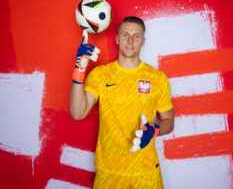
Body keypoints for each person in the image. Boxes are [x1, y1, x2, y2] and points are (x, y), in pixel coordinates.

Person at [70, 16, 174, 189]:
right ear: (117, 39)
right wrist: (79, 69)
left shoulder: (158, 78)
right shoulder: (100, 75)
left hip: (145, 172)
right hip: (109, 172)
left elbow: (169, 122)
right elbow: (77, 113)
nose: (130, 40)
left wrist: (154, 131)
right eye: (125, 34)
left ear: (143, 41)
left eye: (136, 36)